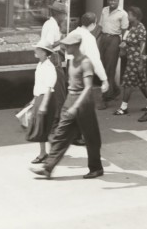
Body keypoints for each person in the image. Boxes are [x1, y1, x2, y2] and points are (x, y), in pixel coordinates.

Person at [31, 33, 104, 180]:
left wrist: (75, 107)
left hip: (83, 104)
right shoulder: (71, 61)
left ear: (76, 46)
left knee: (91, 138)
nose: (65, 48)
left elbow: (88, 87)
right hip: (71, 100)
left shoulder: (85, 62)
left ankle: (96, 168)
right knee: (60, 135)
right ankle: (48, 168)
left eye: (68, 46)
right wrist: (67, 104)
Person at [26, 43, 63, 165]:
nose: (35, 50)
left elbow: (49, 87)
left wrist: (43, 104)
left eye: (37, 49)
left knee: (47, 129)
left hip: (46, 99)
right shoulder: (40, 64)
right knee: (39, 128)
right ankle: (43, 153)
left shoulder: (49, 67)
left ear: (44, 52)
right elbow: (39, 85)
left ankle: (53, 154)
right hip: (39, 98)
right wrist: (34, 99)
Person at [113, 6, 147, 116]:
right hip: (130, 59)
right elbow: (127, 40)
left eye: (129, 15)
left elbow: (142, 46)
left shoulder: (141, 28)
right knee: (141, 83)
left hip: (136, 60)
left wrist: (140, 62)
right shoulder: (130, 27)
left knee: (128, 83)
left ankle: (123, 107)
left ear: (136, 16)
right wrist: (124, 45)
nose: (128, 17)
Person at [65, 12, 109, 95]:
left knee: (72, 94)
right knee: (83, 96)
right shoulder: (89, 38)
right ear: (93, 24)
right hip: (82, 71)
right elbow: (95, 60)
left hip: (70, 69)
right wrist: (104, 79)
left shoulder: (72, 33)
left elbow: (67, 54)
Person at [97, 0, 129, 109]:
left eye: (114, 0)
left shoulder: (123, 14)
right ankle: (115, 90)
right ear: (108, 0)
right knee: (101, 66)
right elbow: (100, 27)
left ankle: (105, 98)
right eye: (110, 0)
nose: (112, 2)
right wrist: (94, 38)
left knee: (109, 69)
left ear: (118, 1)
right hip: (103, 38)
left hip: (114, 40)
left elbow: (125, 31)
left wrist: (123, 45)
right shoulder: (104, 10)